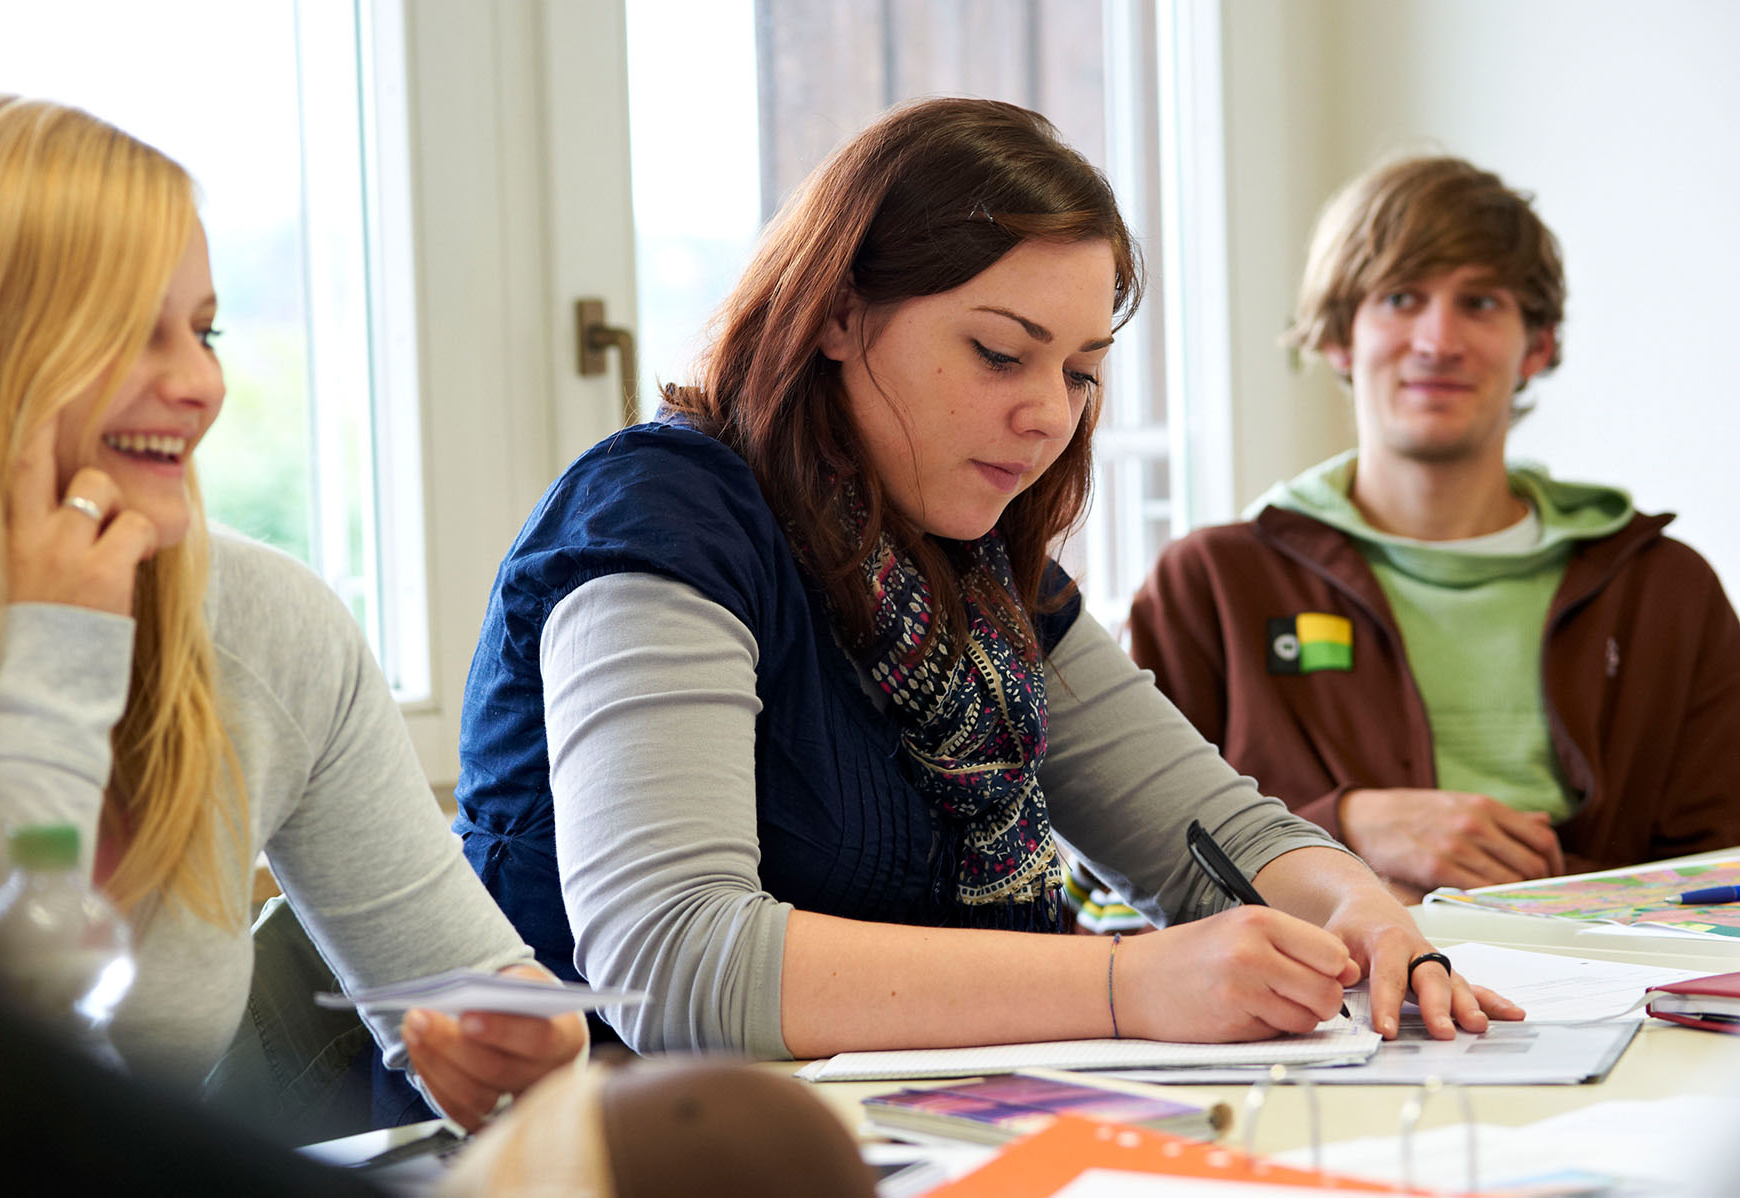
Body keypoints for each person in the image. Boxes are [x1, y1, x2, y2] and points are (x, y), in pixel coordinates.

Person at [452, 98, 1518, 1060]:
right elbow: (674, 960)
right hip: (605, 1151)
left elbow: (1219, 839)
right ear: (834, 312)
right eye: (1002, 354)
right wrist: (1125, 982)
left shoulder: (979, 567)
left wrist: (1366, 917)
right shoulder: (660, 521)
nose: (1052, 415)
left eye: (1081, 372)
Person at [0, 91, 584, 1130]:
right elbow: (6, 1081)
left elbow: (460, 981)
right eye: (126, 334)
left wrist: (519, 1041)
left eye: (204, 330)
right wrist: (56, 655)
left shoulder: (260, 624)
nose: (199, 382)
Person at [1126, 154, 1740, 903]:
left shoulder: (1664, 590)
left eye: (1480, 303)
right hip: (1315, 1006)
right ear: (1339, 337)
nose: (1437, 340)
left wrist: (1530, 903)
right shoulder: (1212, 585)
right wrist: (1346, 828)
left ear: (1536, 347)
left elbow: (1720, 878)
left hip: (1615, 996)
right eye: (1401, 297)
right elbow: (1122, 879)